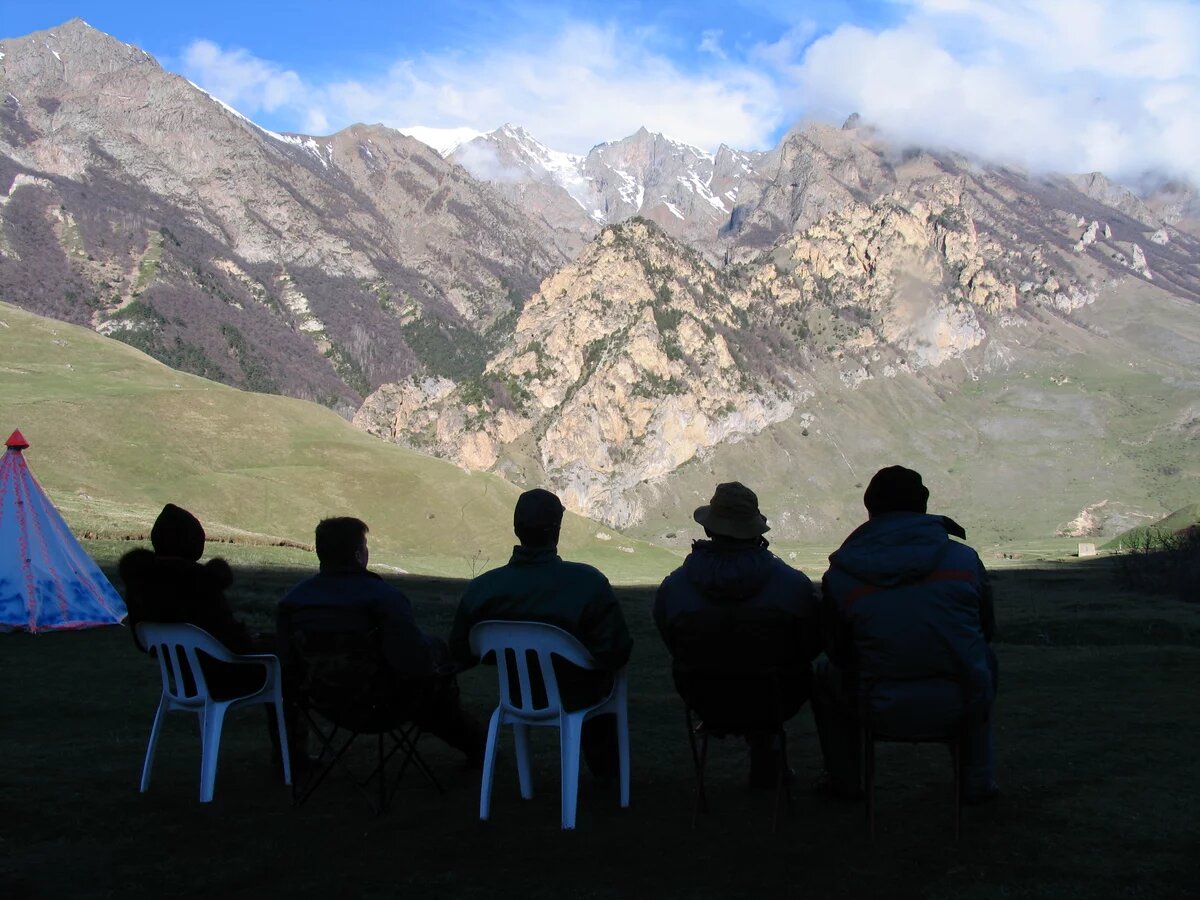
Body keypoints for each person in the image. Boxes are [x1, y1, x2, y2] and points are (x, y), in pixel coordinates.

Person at [812, 465, 999, 803]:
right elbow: (986, 629)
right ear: (924, 506)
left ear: (870, 510)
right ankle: (978, 781)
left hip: (874, 704)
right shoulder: (964, 560)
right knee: (984, 659)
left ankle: (846, 781)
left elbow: (837, 649)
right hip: (958, 702)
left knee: (825, 672)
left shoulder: (842, 572)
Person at [448, 488, 632, 778]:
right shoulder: (587, 582)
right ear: (556, 531)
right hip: (577, 696)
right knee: (601, 686)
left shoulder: (482, 588)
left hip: (516, 695)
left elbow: (462, 652)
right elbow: (616, 650)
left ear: (515, 529)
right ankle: (608, 777)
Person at [277, 517, 485, 764]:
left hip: (321, 702)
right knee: (435, 673)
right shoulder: (383, 597)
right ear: (357, 555)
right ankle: (475, 745)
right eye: (365, 546)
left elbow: (286, 664)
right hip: (384, 704)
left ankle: (291, 760)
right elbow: (413, 662)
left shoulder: (293, 602)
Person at [654, 481, 820, 788]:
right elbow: (810, 643)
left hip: (704, 698)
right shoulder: (792, 585)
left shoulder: (675, 587)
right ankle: (771, 753)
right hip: (777, 698)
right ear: (756, 532)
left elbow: (671, 640)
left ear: (709, 530)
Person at [119, 503, 265, 698]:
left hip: (183, 680)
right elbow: (233, 640)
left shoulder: (140, 583)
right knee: (284, 660)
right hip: (224, 676)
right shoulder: (201, 583)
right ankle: (287, 727)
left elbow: (143, 642)